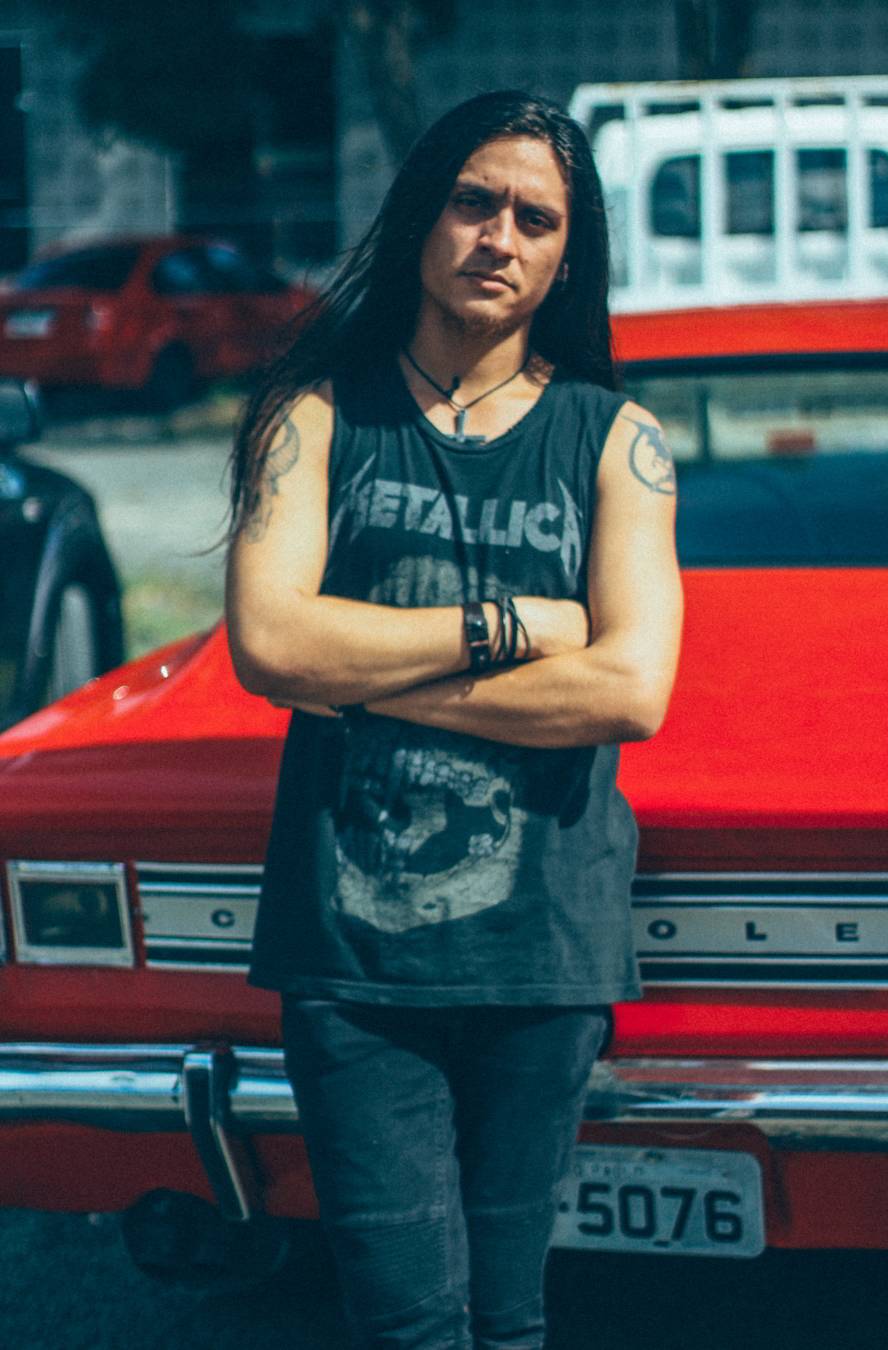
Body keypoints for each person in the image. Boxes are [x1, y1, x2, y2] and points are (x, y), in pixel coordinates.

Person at [225, 90, 682, 1350]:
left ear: (567, 258)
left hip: (545, 952)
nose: (499, 237)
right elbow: (270, 643)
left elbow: (629, 690)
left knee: (508, 1320)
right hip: (351, 955)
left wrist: (359, 669)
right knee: (408, 1325)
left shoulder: (618, 441)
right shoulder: (313, 416)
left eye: (537, 219)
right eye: (475, 202)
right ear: (424, 213)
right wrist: (512, 626)